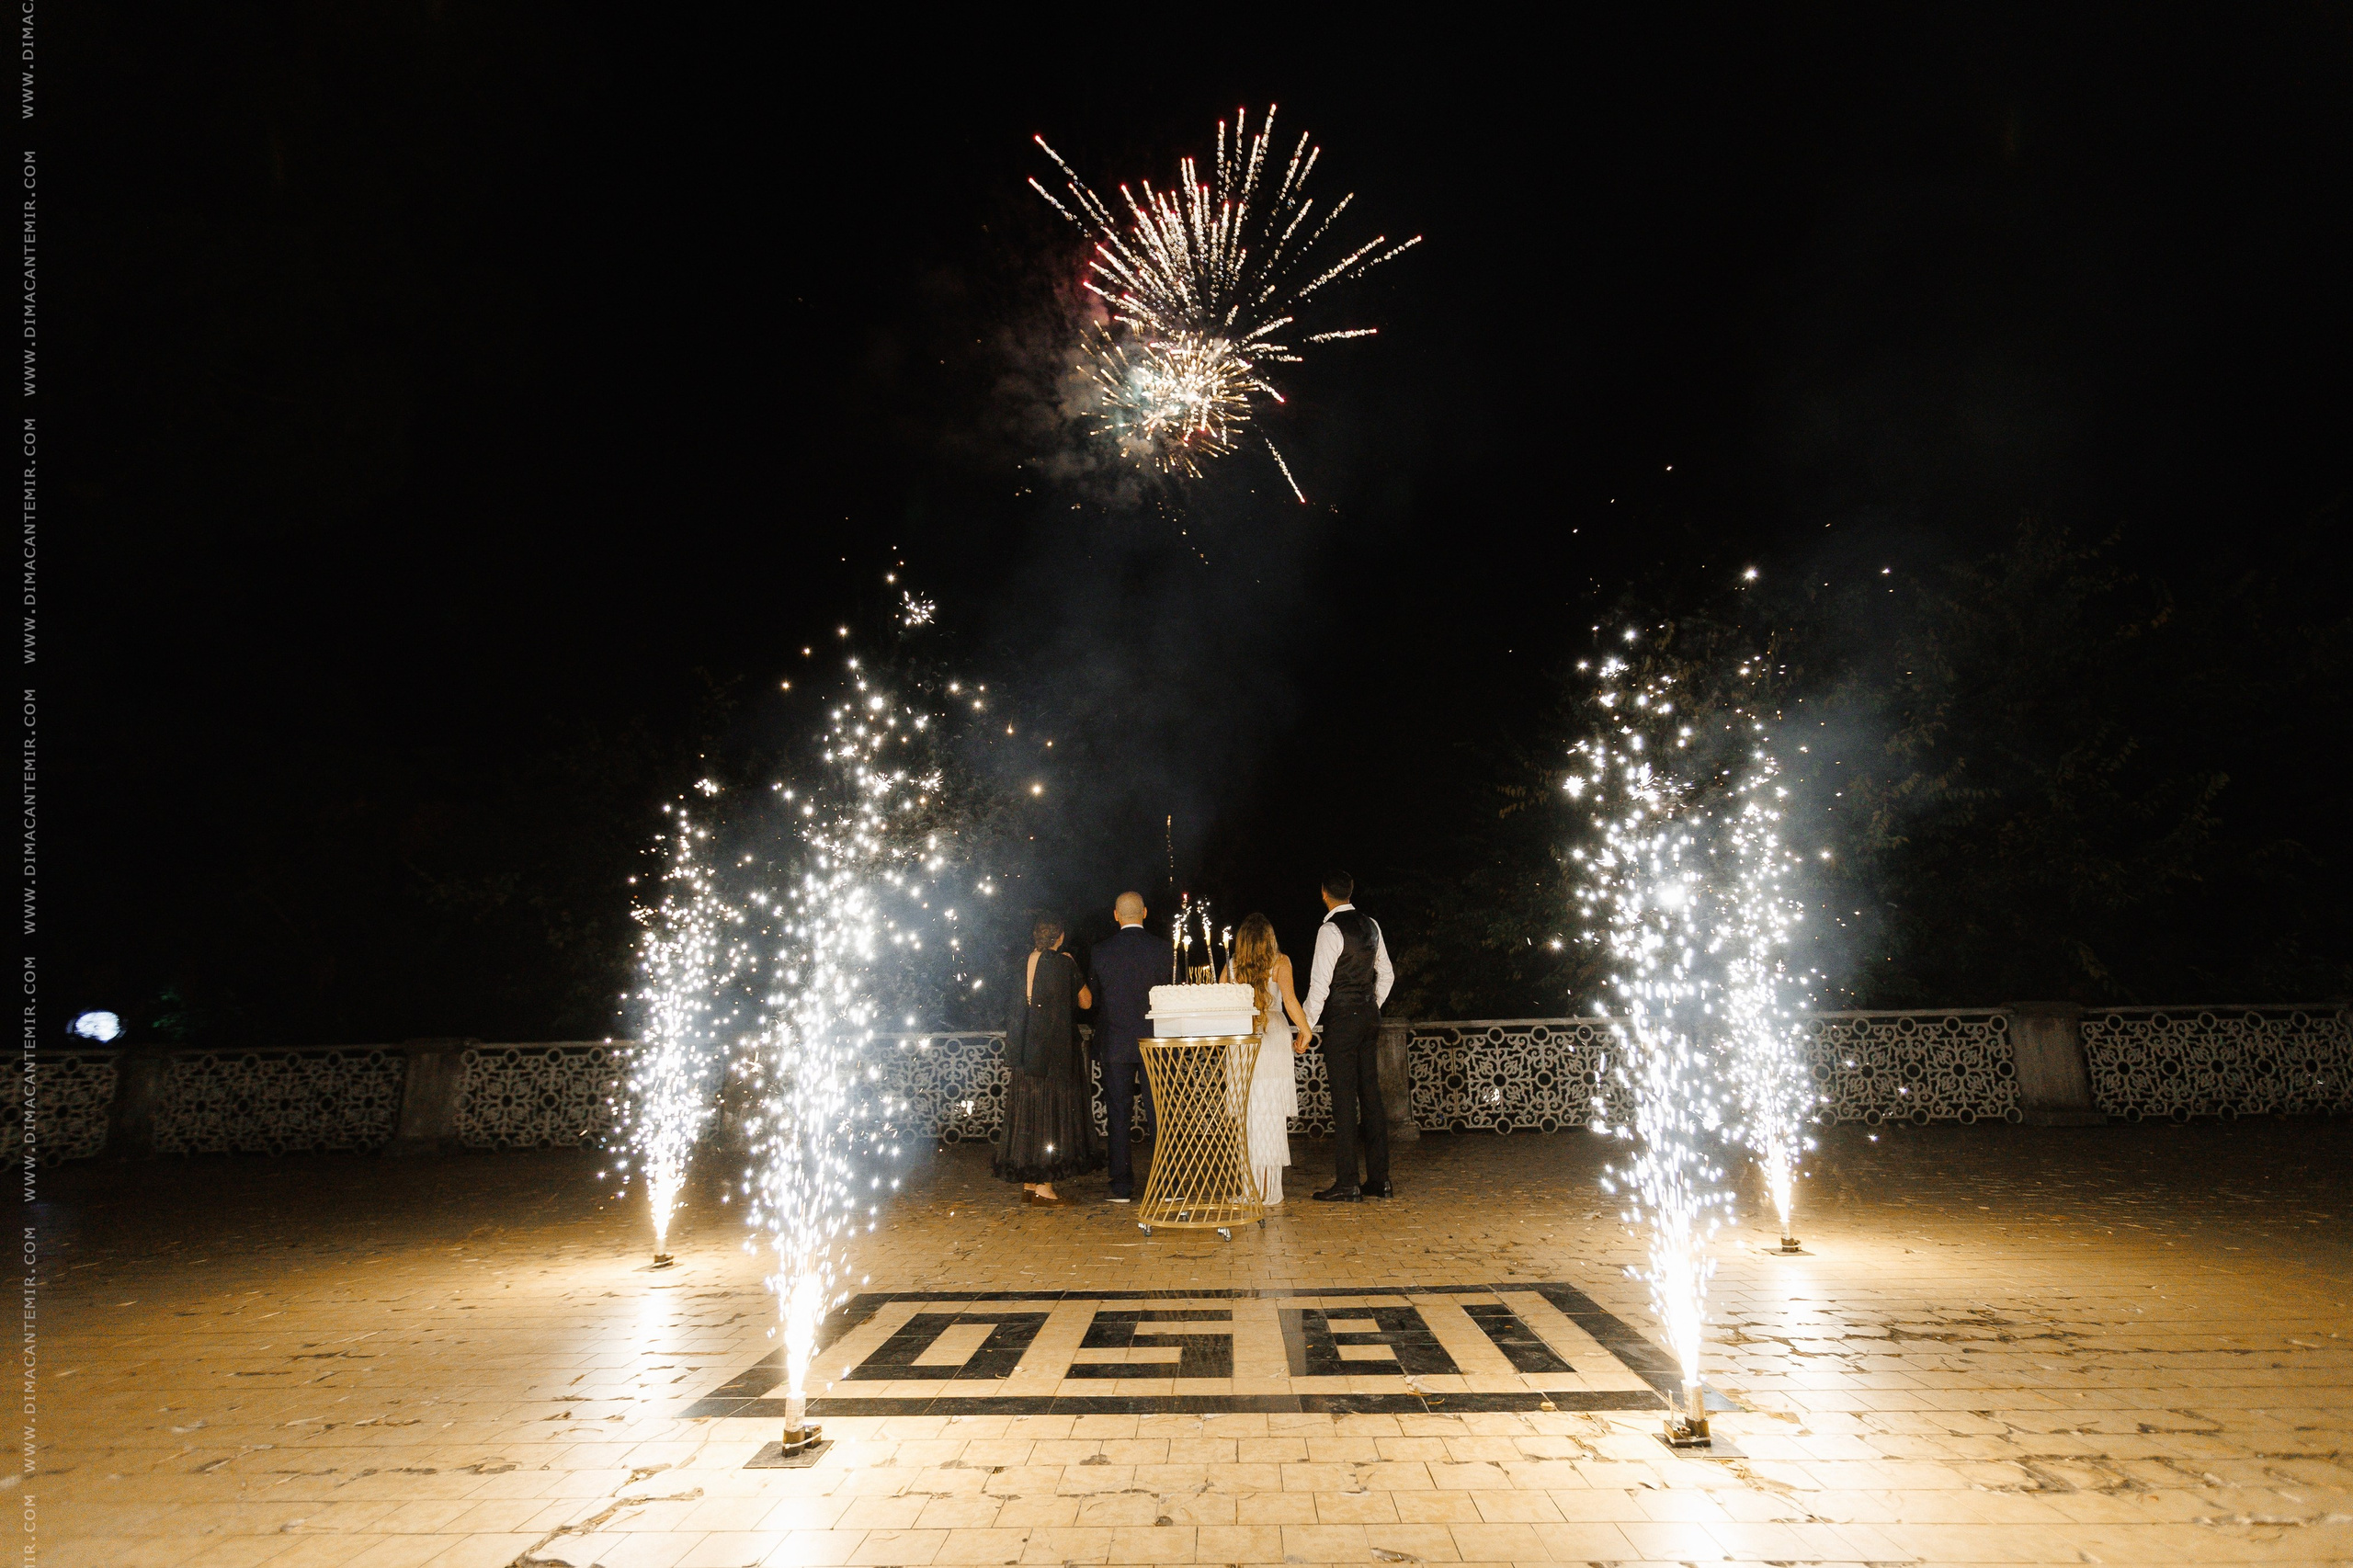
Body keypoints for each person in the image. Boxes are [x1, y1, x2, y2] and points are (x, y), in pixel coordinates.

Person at [993, 913, 1103, 1205]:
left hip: (1026, 1050)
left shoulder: (1023, 962)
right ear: (1060, 937)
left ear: (1036, 937)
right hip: (1054, 1053)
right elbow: (1087, 1001)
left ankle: (1030, 1181)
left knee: (1030, 1113)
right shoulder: (1064, 963)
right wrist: (1074, 971)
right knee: (1050, 1115)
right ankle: (1044, 1184)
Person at [1302, 870, 1397, 1201]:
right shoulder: (1371, 924)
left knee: (1343, 1100)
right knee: (1371, 1096)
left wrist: (1305, 1028)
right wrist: (1372, 1004)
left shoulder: (1329, 930)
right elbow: (1386, 973)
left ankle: (1348, 1182)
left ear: (1324, 894)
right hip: (1369, 1016)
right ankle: (1380, 1180)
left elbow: (1319, 987)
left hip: (1342, 1019)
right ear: (1351, 891)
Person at [1222, 913, 1310, 1205]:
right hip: (1273, 1039)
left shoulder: (1232, 966)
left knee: (1248, 1119)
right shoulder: (1281, 962)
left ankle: (1251, 1189)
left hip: (1242, 1039)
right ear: (1270, 938)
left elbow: (1221, 1001)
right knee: (1270, 1117)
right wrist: (1305, 1031)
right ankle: (1269, 1190)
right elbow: (1291, 1000)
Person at [1086, 891, 1166, 1202]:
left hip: (1116, 1042)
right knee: (1159, 1113)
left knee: (1118, 1114)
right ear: (1144, 913)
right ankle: (1167, 1185)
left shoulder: (1101, 951)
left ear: (1116, 915)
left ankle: (1121, 1186)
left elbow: (1093, 999)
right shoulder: (1162, 949)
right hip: (1154, 1040)